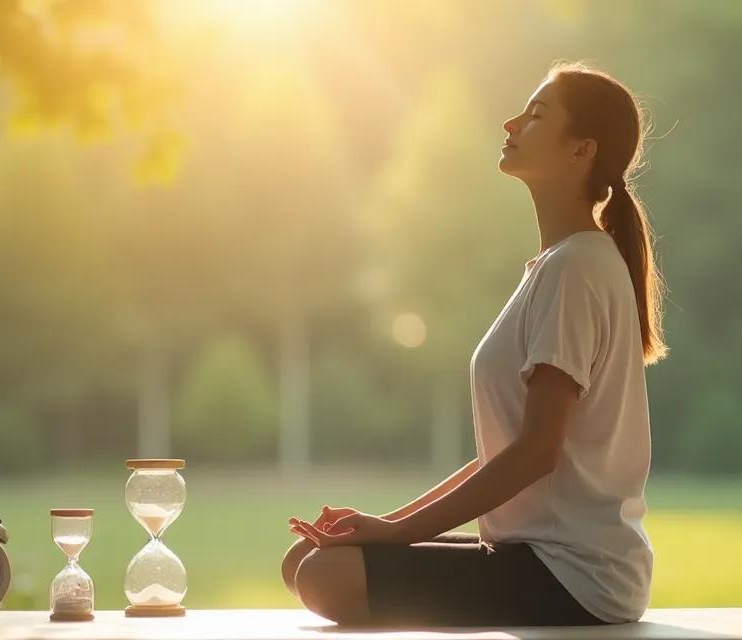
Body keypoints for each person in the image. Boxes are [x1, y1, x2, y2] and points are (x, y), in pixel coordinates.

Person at [280, 60, 668, 628]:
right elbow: (506, 452)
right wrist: (387, 524)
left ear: (581, 151)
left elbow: (537, 451)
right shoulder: (558, 264)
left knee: (322, 575)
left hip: (575, 575)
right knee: (309, 560)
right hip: (536, 556)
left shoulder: (578, 266)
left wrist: (398, 534)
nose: (511, 122)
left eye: (536, 115)